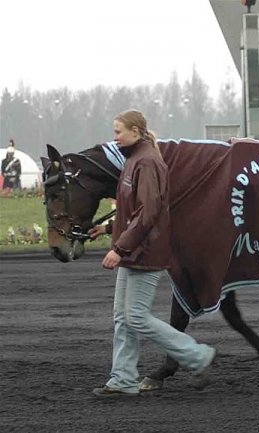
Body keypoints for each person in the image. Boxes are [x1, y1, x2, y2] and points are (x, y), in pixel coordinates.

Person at [89, 109, 216, 397]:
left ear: (136, 131)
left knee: (135, 316)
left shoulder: (147, 163)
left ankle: (197, 355)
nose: (115, 136)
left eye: (119, 130)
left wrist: (120, 248)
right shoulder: (135, 160)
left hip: (145, 251)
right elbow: (133, 211)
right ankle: (123, 379)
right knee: (123, 316)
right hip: (136, 249)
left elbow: (149, 213)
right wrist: (109, 229)